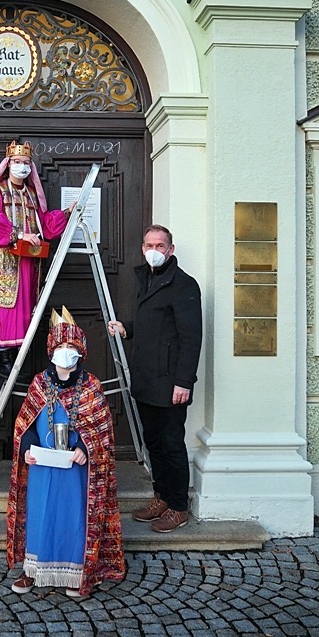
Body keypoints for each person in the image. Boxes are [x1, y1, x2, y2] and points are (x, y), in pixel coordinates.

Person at [7, 307, 125, 599]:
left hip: (75, 468)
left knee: (73, 517)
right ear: (51, 351)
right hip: (43, 465)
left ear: (81, 351)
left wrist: (85, 449)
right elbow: (25, 424)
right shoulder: (38, 384)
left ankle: (77, 571)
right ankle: (33, 570)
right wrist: (26, 450)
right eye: (60, 346)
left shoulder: (91, 386)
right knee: (41, 514)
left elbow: (102, 429)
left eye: (71, 347)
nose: (65, 352)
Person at [108, 225, 202, 533]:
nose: (154, 250)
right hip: (146, 379)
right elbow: (153, 323)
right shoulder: (147, 279)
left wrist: (184, 382)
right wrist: (127, 328)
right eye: (149, 244)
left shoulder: (184, 285)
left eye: (160, 245)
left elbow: (191, 337)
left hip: (171, 382)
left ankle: (178, 507)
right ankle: (160, 498)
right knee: (154, 442)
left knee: (172, 443)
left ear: (170, 250)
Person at [0, 140, 74, 380]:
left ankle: (18, 360)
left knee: (24, 308)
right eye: (17, 162)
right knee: (5, 307)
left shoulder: (32, 194)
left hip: (28, 262)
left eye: (26, 163)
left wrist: (65, 214)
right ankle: (4, 361)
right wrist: (19, 234)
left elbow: (44, 224)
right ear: (8, 164)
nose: (22, 167)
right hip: (4, 261)